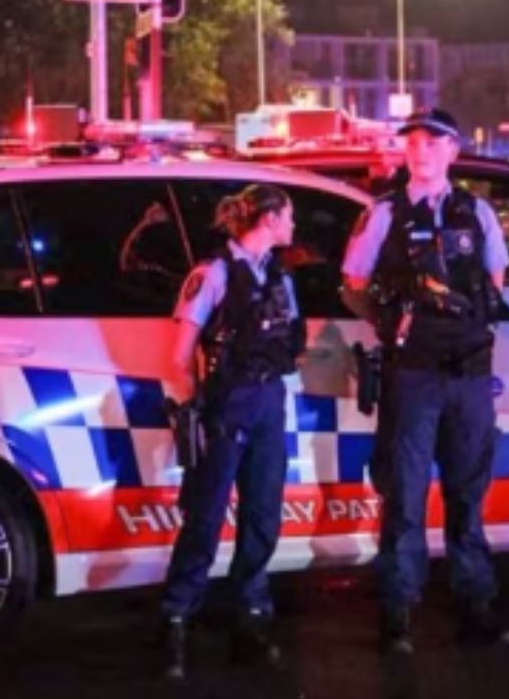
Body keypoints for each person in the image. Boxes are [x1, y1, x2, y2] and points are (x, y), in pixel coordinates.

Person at [340, 107, 509, 655]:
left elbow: (495, 279)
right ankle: (397, 614)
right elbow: (352, 282)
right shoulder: (384, 214)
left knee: (468, 496)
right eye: (412, 141)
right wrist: (391, 323)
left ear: (453, 151)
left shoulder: (476, 211)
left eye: (432, 142)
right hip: (412, 374)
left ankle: (476, 607)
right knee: (405, 497)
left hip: (467, 373)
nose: (419, 150)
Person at [156, 184, 305, 680]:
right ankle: (176, 620)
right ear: (268, 219)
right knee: (205, 517)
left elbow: (290, 341)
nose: (294, 225)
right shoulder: (213, 273)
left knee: (263, 514)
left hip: (268, 402)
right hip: (227, 402)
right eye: (289, 216)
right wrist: (191, 411)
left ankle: (250, 618)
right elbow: (180, 356)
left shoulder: (280, 276)